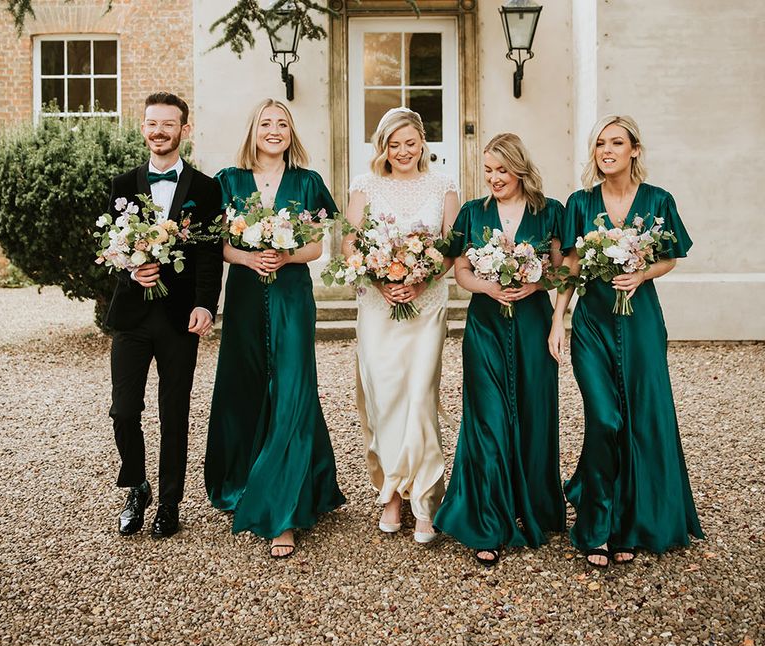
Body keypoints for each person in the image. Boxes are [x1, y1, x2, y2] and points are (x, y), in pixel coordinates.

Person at [548, 114, 704, 567]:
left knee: (640, 418)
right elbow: (571, 268)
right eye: (600, 144)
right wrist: (559, 321)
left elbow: (671, 258)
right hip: (593, 324)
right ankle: (596, 524)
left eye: (616, 142)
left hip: (641, 323)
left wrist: (643, 271)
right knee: (605, 419)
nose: (607, 151)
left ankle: (631, 523)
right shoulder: (579, 203)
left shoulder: (658, 200)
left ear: (635, 149)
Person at [204, 98, 345, 558]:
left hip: (290, 296)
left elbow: (317, 248)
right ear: (253, 130)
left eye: (281, 123)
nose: (273, 130)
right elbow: (221, 246)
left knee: (293, 388)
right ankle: (244, 480)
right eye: (265, 123)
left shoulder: (308, 182)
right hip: (245, 296)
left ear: (291, 132)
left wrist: (285, 255)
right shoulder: (229, 181)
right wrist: (248, 257)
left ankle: (284, 511)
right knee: (244, 386)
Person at [434, 133, 566, 565]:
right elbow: (461, 273)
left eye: (502, 170)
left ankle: (533, 508)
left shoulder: (550, 212)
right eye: (488, 170)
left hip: (532, 327)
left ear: (520, 169)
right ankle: (489, 521)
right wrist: (490, 287)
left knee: (532, 414)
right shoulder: (473, 213)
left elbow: (562, 273)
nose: (494, 178)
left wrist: (534, 283)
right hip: (486, 328)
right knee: (488, 420)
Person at [108, 92, 223, 538]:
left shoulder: (206, 188)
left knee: (173, 412)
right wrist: (131, 266)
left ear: (183, 130)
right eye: (152, 124)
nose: (159, 131)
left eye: (168, 124)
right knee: (123, 410)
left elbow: (211, 254)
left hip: (180, 319)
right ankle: (137, 486)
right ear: (143, 128)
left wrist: (204, 304)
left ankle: (170, 502)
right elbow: (111, 247)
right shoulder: (122, 184)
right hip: (132, 317)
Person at [343, 107, 460, 543]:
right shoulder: (365, 185)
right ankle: (392, 492)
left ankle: (425, 499)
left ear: (423, 144)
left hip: (426, 305)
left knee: (419, 396)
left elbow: (451, 247)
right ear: (383, 147)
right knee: (386, 396)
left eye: (411, 143)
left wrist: (421, 278)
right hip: (377, 305)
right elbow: (350, 244)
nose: (404, 151)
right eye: (395, 144)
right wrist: (381, 278)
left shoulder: (443, 185)